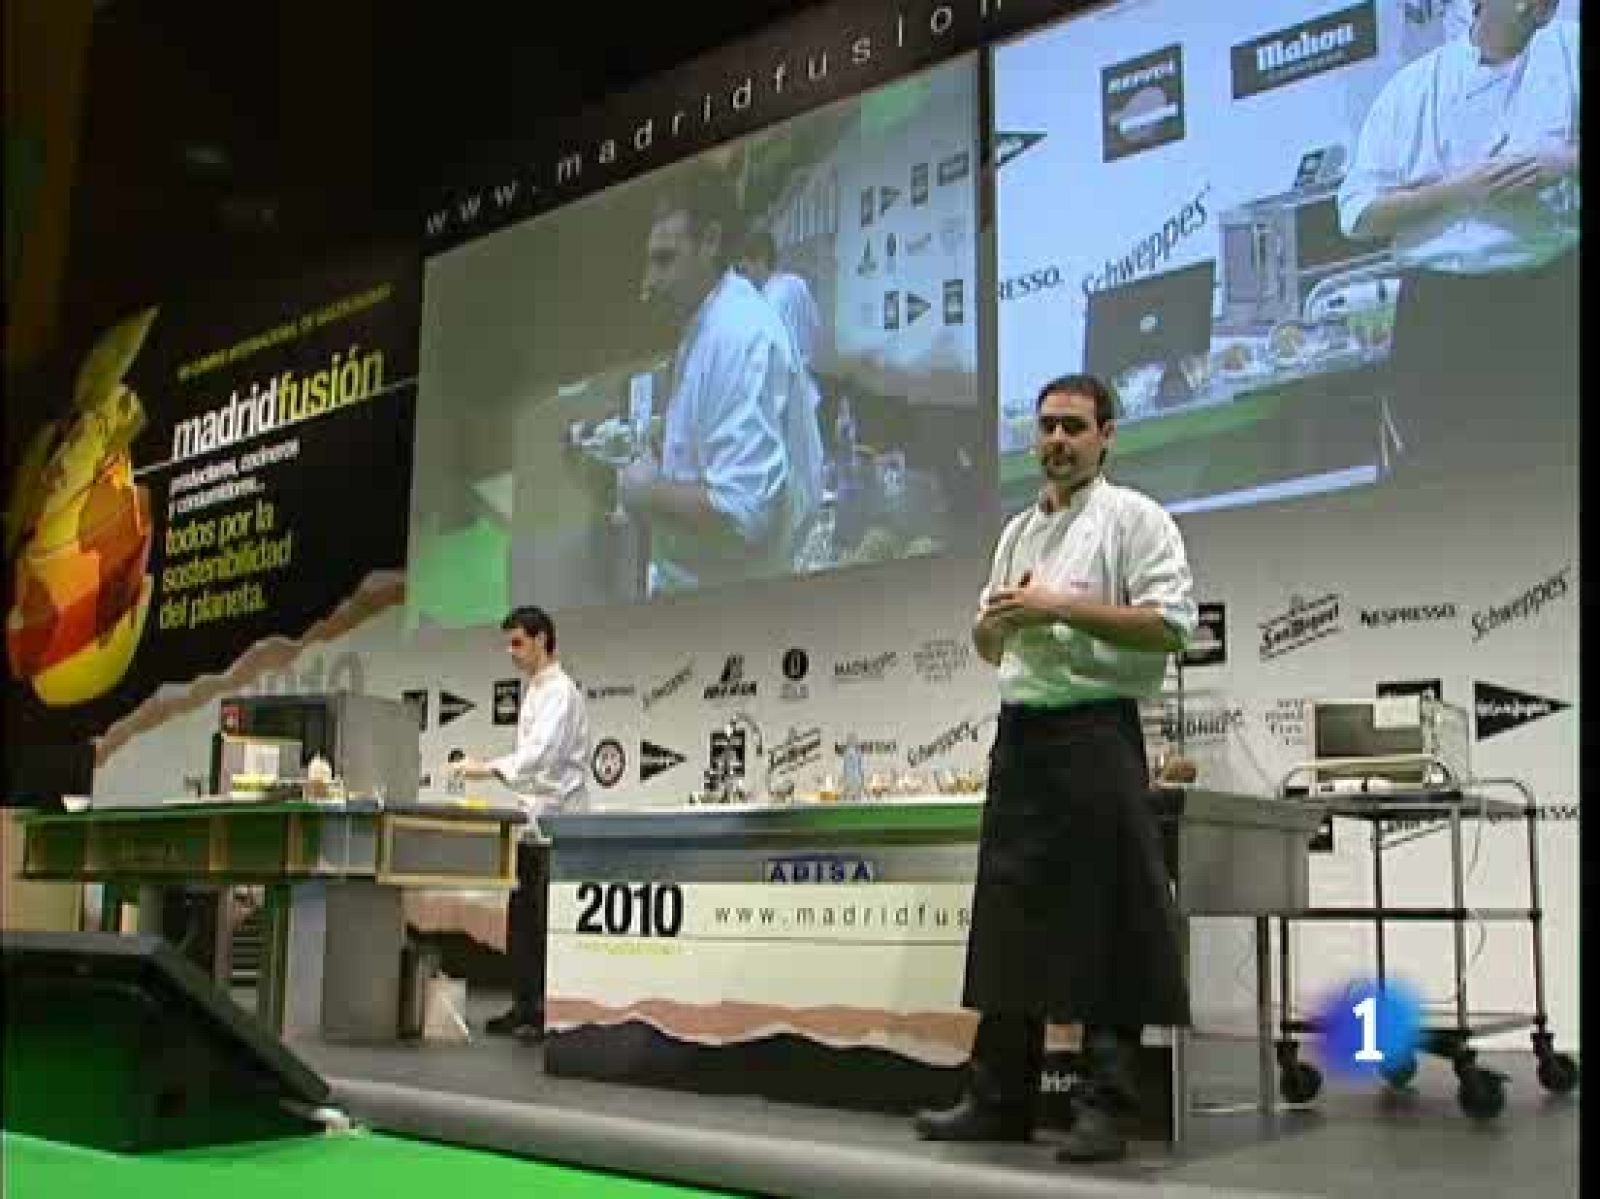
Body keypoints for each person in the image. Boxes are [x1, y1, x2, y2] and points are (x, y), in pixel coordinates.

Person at [913, 373, 1197, 1164]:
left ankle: (1105, 1108)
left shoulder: (1137, 520)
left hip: (1098, 735)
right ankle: (999, 1098)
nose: (1057, 441)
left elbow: (1172, 626)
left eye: (1073, 426)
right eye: (1045, 427)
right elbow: (990, 642)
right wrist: (994, 626)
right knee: (1009, 918)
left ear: (1107, 434)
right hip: (1023, 737)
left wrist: (1058, 609)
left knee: (1110, 923)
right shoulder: (1015, 532)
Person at [1337, 0, 1579, 474]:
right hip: (1445, 316)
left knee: (1559, 473)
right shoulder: (1414, 89)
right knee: (1449, 483)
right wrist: (1459, 190)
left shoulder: (1569, 49)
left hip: (1555, 293)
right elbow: (1357, 214)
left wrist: (1564, 162)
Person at [620, 167, 824, 594]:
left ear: (710, 242)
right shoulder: (707, 321)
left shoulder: (737, 330)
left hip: (731, 614)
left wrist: (646, 491)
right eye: (648, 261)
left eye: (665, 260)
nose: (649, 283)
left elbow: (741, 511)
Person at [451, 605, 590, 1040]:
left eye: (517, 642)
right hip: (532, 823)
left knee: (543, 921)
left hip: (557, 825)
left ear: (542, 639)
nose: (511, 652)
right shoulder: (535, 690)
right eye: (508, 643)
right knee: (522, 920)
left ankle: (548, 1011)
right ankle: (525, 1006)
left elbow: (541, 756)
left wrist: (486, 768)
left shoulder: (562, 692)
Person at [735, 225, 827, 378]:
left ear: (760, 261)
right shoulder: (797, 282)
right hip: (807, 377)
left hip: (781, 385)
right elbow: (815, 325)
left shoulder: (765, 302)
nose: (745, 277)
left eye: (745, 268)